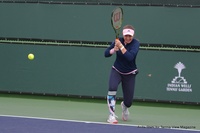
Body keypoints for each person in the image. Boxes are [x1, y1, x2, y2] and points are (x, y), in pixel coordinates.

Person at [104, 25, 140, 124]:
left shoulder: (136, 43)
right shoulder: (118, 40)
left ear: (133, 35)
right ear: (123, 35)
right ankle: (111, 115)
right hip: (117, 70)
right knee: (112, 88)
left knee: (129, 102)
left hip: (130, 73)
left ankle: (124, 107)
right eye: (126, 36)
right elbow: (106, 53)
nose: (128, 38)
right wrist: (113, 50)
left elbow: (130, 57)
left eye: (130, 36)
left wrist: (120, 46)